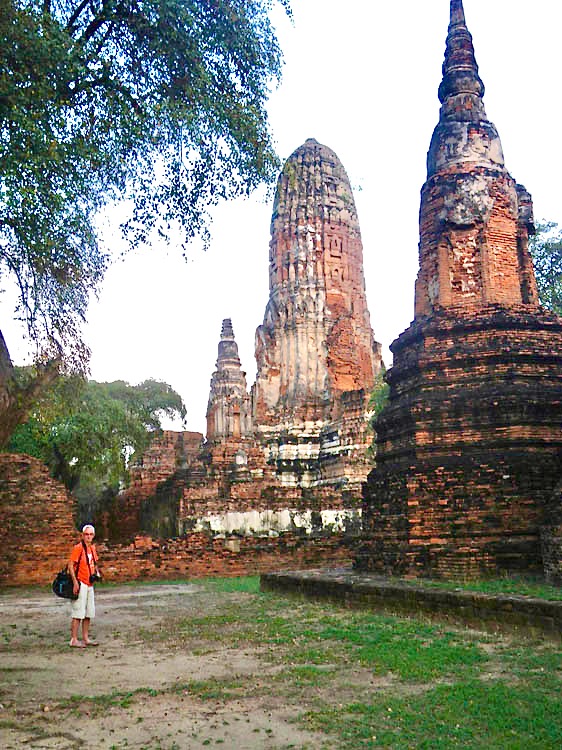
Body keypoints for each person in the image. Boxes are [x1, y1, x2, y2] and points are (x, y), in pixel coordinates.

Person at [68, 524, 101, 648]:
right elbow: (71, 565)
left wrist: (96, 574)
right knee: (78, 612)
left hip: (89, 583)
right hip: (81, 582)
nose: (88, 537)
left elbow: (94, 563)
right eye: (86, 534)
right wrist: (75, 582)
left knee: (88, 612)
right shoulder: (78, 548)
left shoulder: (92, 548)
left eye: (91, 534)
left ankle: (86, 637)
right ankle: (74, 639)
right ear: (82, 535)